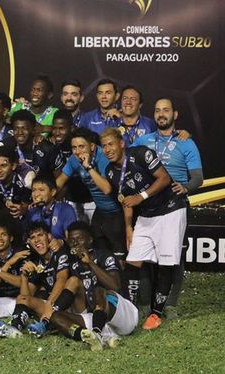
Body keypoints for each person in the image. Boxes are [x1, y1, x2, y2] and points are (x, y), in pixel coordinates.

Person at [97, 128, 188, 330]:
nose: (107, 150)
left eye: (111, 144)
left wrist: (141, 197)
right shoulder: (111, 171)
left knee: (166, 263)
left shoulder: (141, 154)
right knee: (133, 260)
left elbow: (164, 178)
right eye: (104, 146)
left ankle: (156, 314)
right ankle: (130, 309)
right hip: (146, 216)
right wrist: (129, 227)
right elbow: (126, 201)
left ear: (121, 143)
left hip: (170, 210)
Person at [133, 97, 203, 317]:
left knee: (174, 256)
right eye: (157, 111)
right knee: (145, 255)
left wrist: (186, 187)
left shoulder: (186, 142)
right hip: (148, 207)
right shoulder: (142, 141)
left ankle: (170, 303)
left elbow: (198, 178)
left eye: (166, 110)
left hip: (176, 207)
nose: (161, 114)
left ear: (175, 114)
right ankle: (146, 302)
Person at [56, 128, 126, 259]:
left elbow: (107, 189)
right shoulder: (74, 159)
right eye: (74, 147)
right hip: (100, 211)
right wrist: (43, 193)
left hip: (117, 211)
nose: (77, 152)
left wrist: (88, 167)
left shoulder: (103, 157)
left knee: (119, 258)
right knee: (98, 252)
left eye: (81, 147)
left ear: (92, 146)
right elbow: (60, 181)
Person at [47, 289, 138, 351]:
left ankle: (97, 333)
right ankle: (88, 336)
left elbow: (115, 283)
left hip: (122, 315)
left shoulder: (99, 264)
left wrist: (91, 264)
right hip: (98, 319)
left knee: (98, 291)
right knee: (55, 317)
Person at [11, 109, 63, 180]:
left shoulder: (47, 149)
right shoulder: (8, 146)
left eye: (24, 128)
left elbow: (60, 180)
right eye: (16, 129)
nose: (20, 133)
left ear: (33, 129)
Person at [25, 177, 76, 242]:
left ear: (53, 192)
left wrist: (61, 243)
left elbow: (72, 240)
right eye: (34, 190)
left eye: (41, 190)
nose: (36, 194)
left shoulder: (65, 210)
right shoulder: (32, 213)